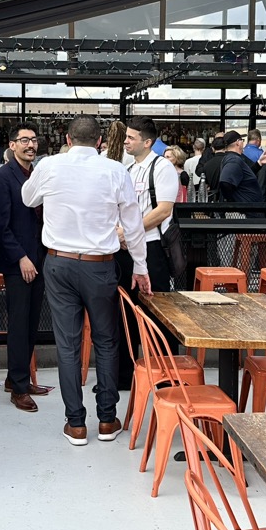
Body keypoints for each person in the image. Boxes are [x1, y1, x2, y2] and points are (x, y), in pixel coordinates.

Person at [22, 115, 151, 447]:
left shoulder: (50, 165)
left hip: (59, 263)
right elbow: (133, 224)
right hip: (99, 266)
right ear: (99, 141)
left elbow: (28, 198)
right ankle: (107, 420)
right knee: (106, 342)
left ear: (67, 139)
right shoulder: (115, 171)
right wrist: (140, 265)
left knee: (68, 344)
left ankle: (76, 424)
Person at [0, 123, 50, 412]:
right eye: (24, 140)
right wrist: (21, 258)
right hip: (18, 262)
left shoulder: (38, 175)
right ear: (12, 145)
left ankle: (17, 378)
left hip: (40, 257)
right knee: (18, 323)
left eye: (33, 140)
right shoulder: (2, 178)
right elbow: (0, 226)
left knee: (32, 322)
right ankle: (19, 388)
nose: (30, 145)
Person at [116, 116, 182, 388]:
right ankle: (124, 376)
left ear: (147, 142)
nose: (126, 141)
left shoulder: (162, 167)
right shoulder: (129, 169)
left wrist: (129, 231)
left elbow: (163, 210)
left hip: (152, 248)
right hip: (125, 249)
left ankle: (166, 377)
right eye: (126, 136)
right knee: (124, 312)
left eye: (131, 137)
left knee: (157, 312)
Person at [216, 130, 264, 206]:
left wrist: (259, 163)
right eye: (242, 140)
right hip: (244, 210)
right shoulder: (234, 160)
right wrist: (232, 203)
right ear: (238, 142)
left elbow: (242, 176)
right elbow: (225, 182)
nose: (243, 143)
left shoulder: (233, 158)